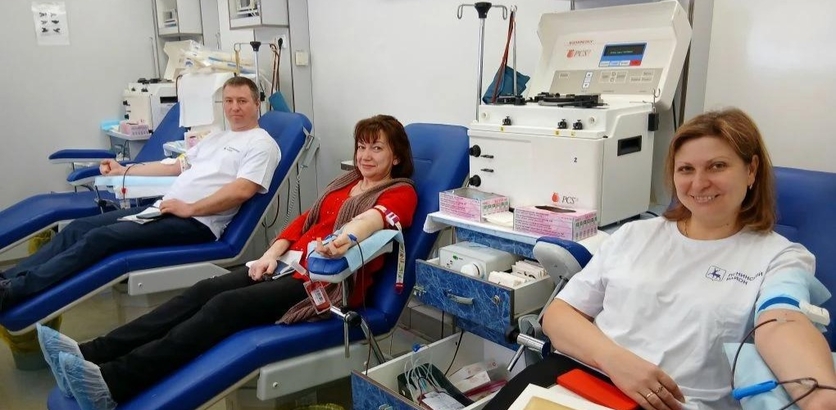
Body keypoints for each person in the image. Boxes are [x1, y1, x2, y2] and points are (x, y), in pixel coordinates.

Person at [38, 114, 418, 410]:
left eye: (377, 149)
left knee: (225, 307)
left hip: (325, 282)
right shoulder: (346, 182)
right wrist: (269, 256)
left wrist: (343, 240)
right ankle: (92, 352)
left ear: (396, 156)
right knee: (202, 291)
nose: (365, 156)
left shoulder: (400, 192)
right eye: (361, 147)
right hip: (287, 264)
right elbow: (304, 221)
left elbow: (371, 221)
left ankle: (113, 382)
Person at [485, 108, 836, 410]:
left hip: (671, 402)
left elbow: (782, 323)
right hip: (581, 379)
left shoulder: (780, 257)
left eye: (717, 166)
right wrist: (616, 360)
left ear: (751, 170)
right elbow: (559, 315)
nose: (699, 183)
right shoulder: (635, 235)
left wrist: (821, 398)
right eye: (686, 169)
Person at [0, 76, 280, 311]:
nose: (234, 108)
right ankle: (7, 278)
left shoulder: (261, 144)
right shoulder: (217, 137)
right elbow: (174, 166)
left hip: (198, 222)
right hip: (165, 209)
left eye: (242, 101)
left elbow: (242, 189)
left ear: (257, 104)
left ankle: (15, 291)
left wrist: (190, 208)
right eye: (228, 101)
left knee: (101, 238)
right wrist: (125, 169)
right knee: (79, 227)